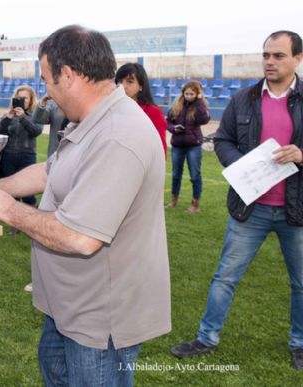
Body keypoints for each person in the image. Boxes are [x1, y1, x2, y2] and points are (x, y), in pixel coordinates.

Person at [0, 25, 171, 387]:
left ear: (68, 75)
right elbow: (49, 171)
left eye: (46, 81)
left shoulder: (117, 135)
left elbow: (80, 237)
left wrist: (6, 209)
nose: (46, 93)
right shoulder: (92, 121)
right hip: (71, 308)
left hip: (100, 323)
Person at [171, 31, 303, 370]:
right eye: (266, 55)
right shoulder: (243, 99)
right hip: (250, 207)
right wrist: (241, 163)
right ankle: (206, 337)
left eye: (278, 56)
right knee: (225, 277)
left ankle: (299, 344)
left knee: (301, 283)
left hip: (296, 210)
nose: (270, 62)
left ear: (298, 59)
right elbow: (224, 140)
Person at [0, 85, 43, 210]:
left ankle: (32, 209)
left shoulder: (35, 115)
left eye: (25, 98)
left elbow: (36, 131)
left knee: (27, 189)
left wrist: (23, 118)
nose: (21, 100)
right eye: (19, 98)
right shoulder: (9, 115)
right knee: (12, 189)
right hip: (8, 155)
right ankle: (14, 220)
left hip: (27, 155)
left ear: (31, 100)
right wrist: (7, 119)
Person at [165, 80, 210, 212]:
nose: (189, 96)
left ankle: (195, 205)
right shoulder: (176, 106)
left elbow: (204, 120)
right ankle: (173, 201)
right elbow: (168, 122)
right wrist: (174, 128)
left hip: (194, 146)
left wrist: (199, 101)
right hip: (177, 145)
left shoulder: (199, 106)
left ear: (197, 94)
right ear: (183, 93)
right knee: (175, 175)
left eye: (192, 94)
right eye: (186, 93)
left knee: (195, 175)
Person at [115, 62, 167, 155]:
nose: (122, 86)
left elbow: (160, 150)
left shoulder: (153, 112)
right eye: (119, 81)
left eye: (129, 81)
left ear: (141, 86)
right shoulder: (112, 110)